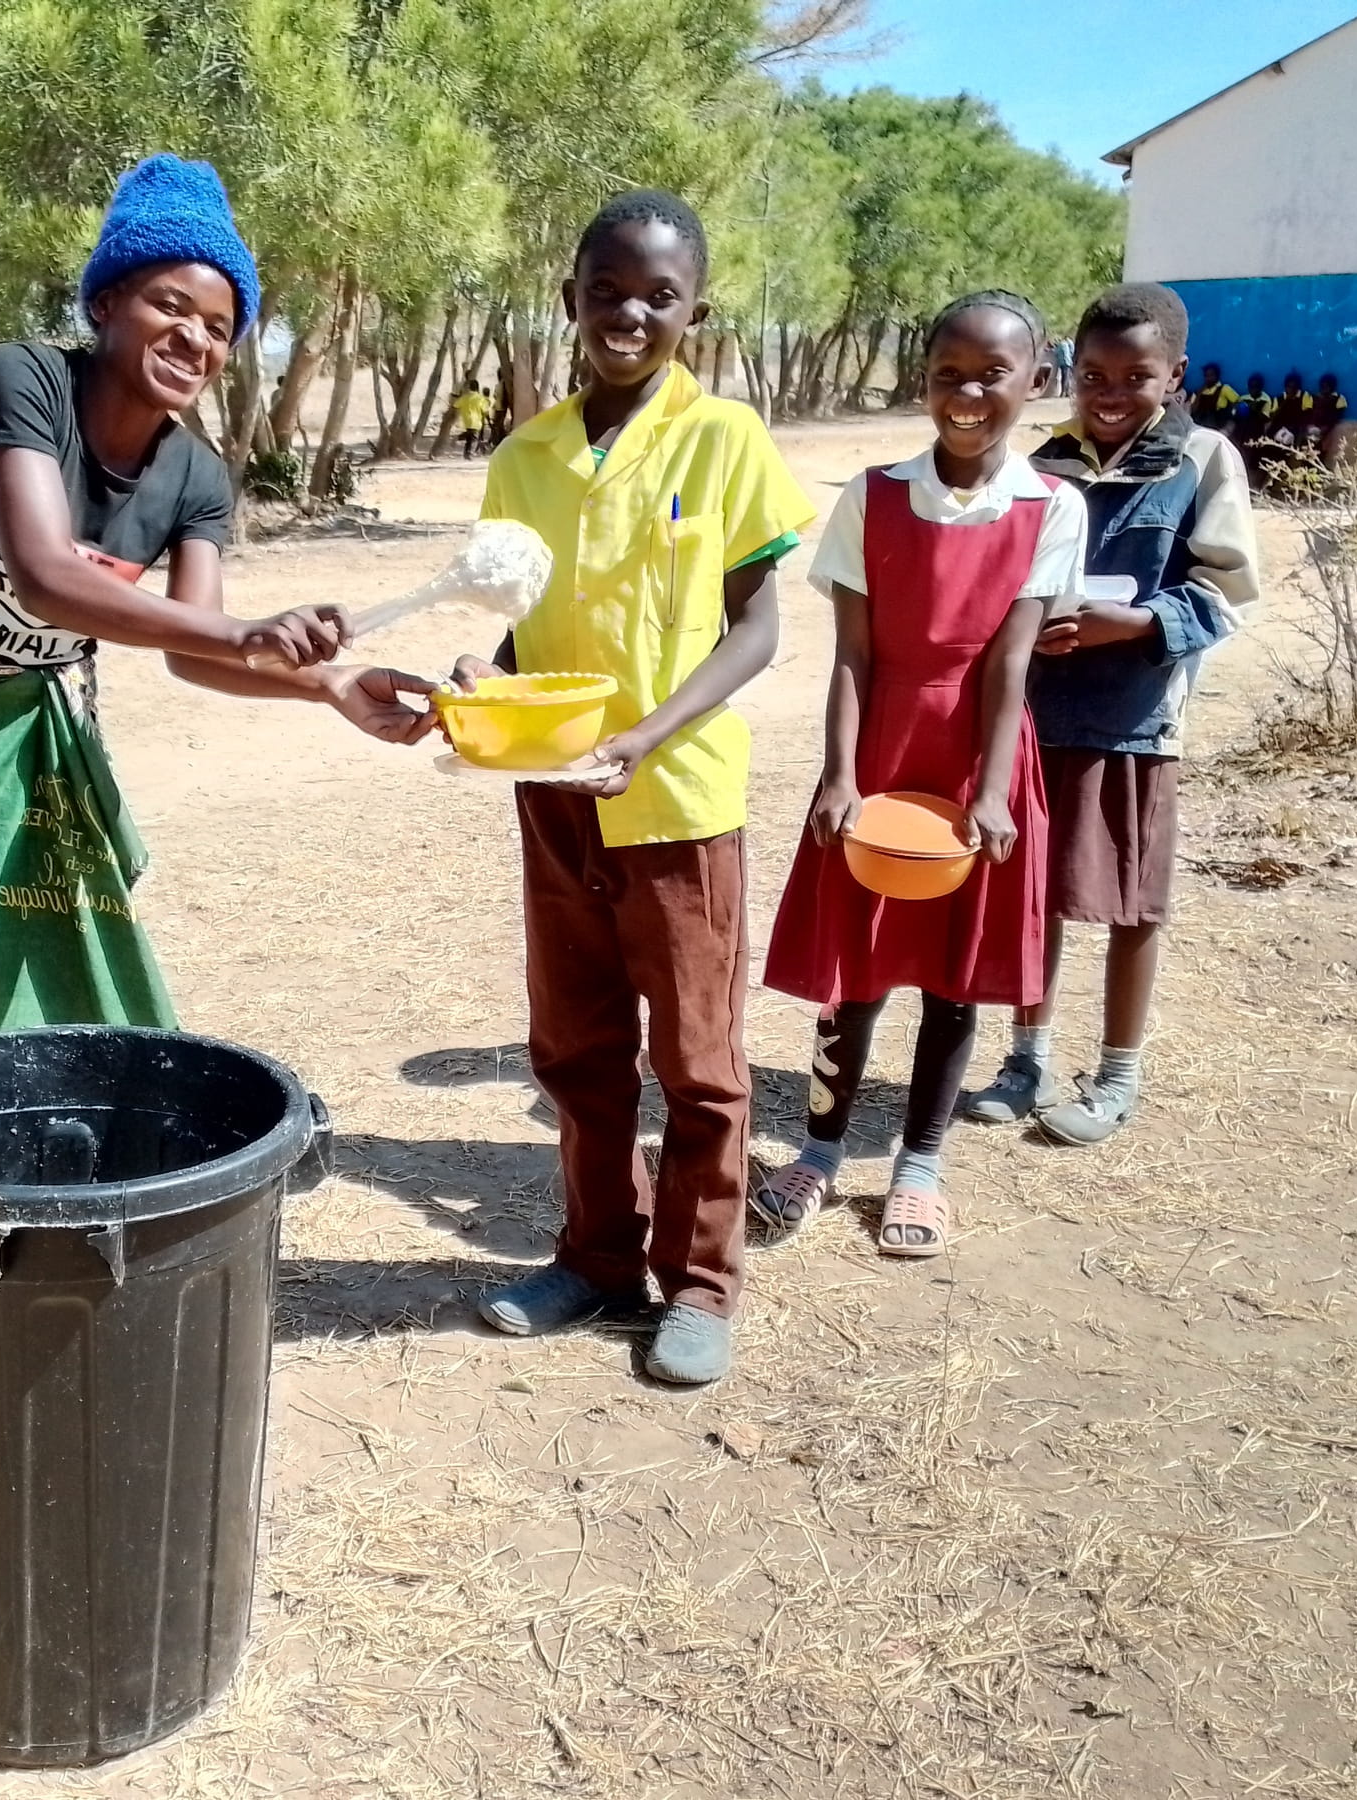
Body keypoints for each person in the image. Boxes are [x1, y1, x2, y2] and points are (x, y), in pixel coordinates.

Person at [0, 154, 436, 1052]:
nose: (195, 340)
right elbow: (45, 576)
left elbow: (192, 653)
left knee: (75, 941)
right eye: (169, 305)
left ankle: (88, 1137)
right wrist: (246, 628)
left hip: (53, 713)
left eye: (218, 326)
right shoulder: (26, 384)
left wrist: (329, 684)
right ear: (104, 306)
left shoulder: (196, 477)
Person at [454, 189, 816, 1386]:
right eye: (606, 290)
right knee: (576, 1047)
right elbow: (519, 636)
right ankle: (597, 1259)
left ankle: (701, 1283)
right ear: (570, 302)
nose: (629, 312)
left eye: (658, 295)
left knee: (701, 1065)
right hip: (556, 798)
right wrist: (479, 692)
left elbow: (756, 630)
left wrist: (651, 733)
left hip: (676, 800)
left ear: (693, 314)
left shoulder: (726, 443)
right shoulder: (526, 458)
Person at [753, 290, 1084, 1258]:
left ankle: (921, 1164)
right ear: (925, 380)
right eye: (950, 374)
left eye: (995, 374)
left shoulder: (1052, 506)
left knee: (954, 974)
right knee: (851, 972)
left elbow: (1012, 659)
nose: (970, 393)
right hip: (882, 745)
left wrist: (990, 790)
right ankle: (816, 1151)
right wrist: (837, 774)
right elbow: (853, 652)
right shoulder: (874, 493)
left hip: (979, 754)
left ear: (1036, 382)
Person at [963, 282, 1260, 1144]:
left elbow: (1228, 593)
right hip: (1037, 718)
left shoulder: (1201, 460)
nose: (1110, 393)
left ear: (1173, 376)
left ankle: (1118, 1073)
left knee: (1134, 904)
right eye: (1093, 374)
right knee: (1036, 896)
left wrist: (1129, 623)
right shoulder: (1040, 463)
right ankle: (1026, 1058)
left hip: (1137, 720)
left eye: (1136, 376)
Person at [1314, 372, 1351, 464]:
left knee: (1321, 454)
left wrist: (1325, 429)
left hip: (1328, 430)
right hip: (1314, 429)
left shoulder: (1339, 399)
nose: (1324, 389)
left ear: (1332, 387)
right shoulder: (1315, 398)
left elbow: (1337, 416)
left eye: (1327, 386)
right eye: (1322, 386)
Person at [1187, 362, 1237, 432]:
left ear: (1217, 376)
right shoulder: (1198, 391)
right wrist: (1199, 394)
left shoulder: (1224, 388)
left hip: (1217, 426)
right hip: (1199, 425)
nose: (1208, 378)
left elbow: (1237, 402)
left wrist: (1231, 414)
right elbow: (1192, 409)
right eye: (1206, 375)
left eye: (1211, 375)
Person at [453, 381, 490, 459]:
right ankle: (469, 453)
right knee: (474, 438)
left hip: (466, 420)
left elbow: (455, 405)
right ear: (477, 387)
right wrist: (489, 421)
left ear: (469, 387)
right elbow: (486, 411)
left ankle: (466, 453)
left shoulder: (464, 397)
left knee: (470, 437)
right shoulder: (481, 398)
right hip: (476, 421)